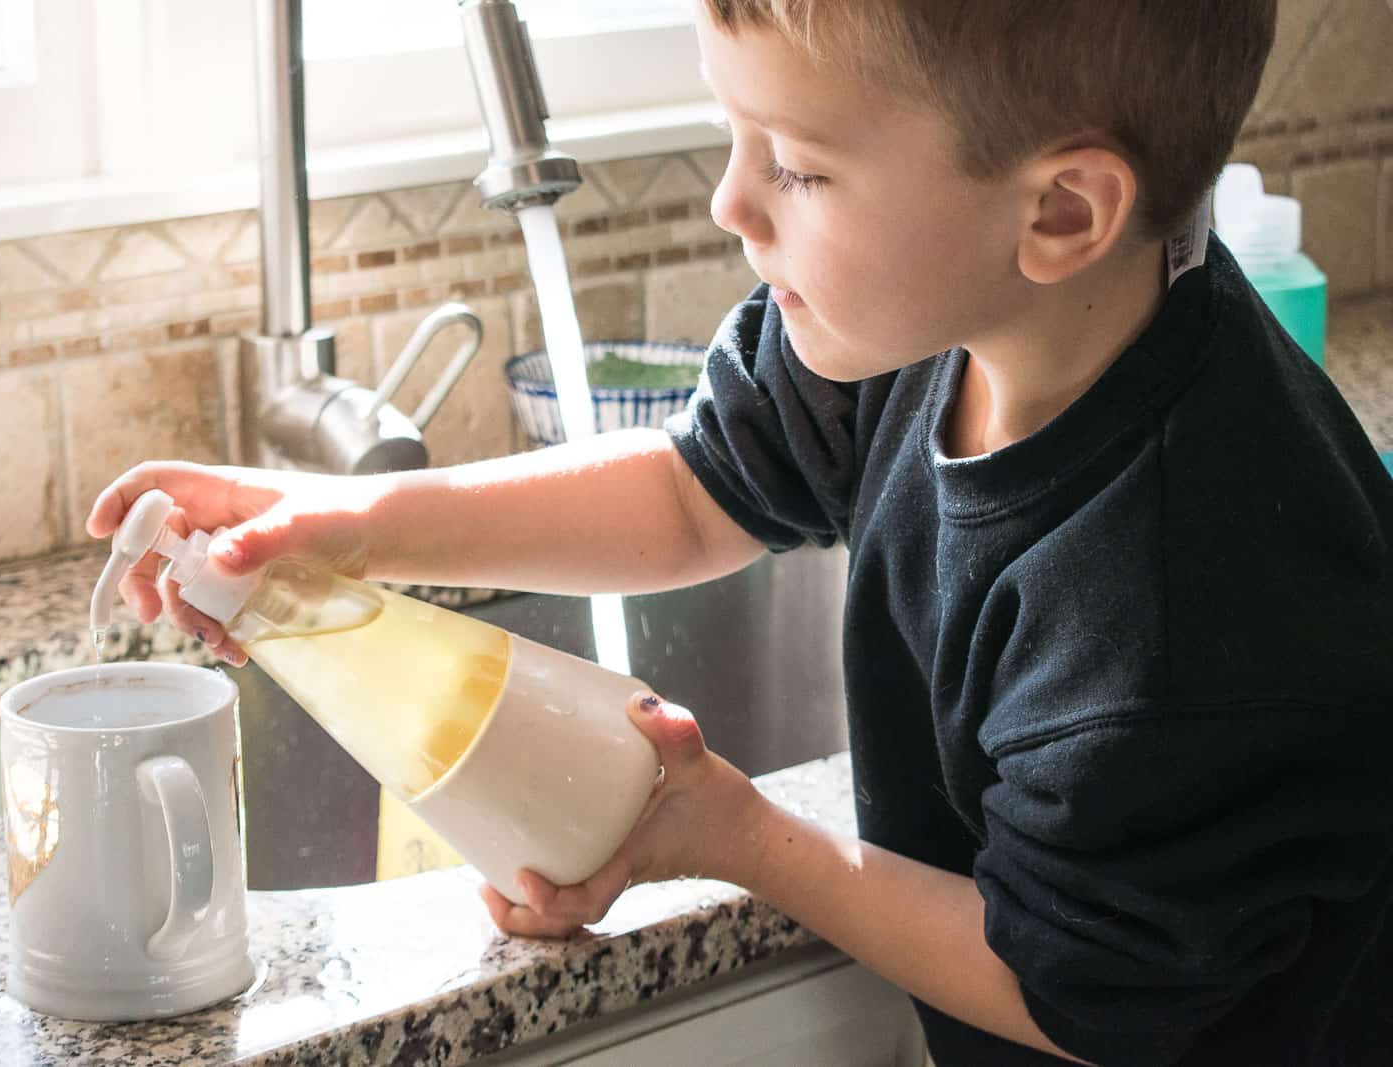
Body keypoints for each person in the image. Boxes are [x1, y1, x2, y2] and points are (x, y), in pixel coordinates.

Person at [88, 1, 1393, 1062]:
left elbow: (1079, 994)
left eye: (801, 166)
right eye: (736, 135)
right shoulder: (925, 320)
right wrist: (351, 526)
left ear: (1059, 214)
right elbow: (692, 491)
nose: (733, 203)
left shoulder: (1171, 594)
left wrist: (742, 836)